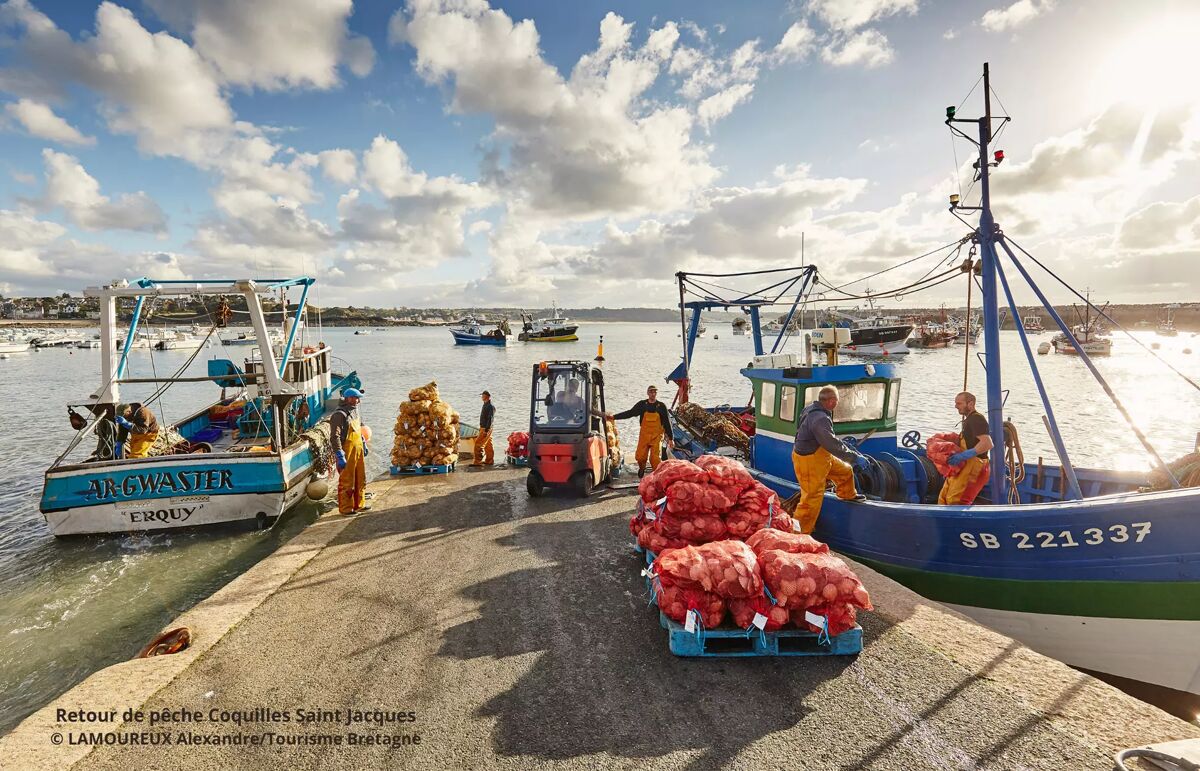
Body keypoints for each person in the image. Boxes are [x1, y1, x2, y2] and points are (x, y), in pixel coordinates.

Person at [791, 385, 868, 534]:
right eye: (838, 400)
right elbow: (831, 444)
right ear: (831, 401)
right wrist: (854, 457)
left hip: (821, 456)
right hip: (809, 461)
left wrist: (849, 457)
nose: (838, 403)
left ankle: (847, 494)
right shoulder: (820, 418)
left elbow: (827, 440)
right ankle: (798, 534)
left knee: (845, 470)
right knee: (810, 500)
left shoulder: (811, 409)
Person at [608, 385, 674, 478]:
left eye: (655, 392)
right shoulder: (642, 405)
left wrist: (671, 439)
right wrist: (614, 417)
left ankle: (657, 476)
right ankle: (642, 468)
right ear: (647, 393)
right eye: (651, 392)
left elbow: (667, 422)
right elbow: (630, 413)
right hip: (644, 436)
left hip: (657, 437)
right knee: (640, 457)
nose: (653, 394)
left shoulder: (661, 406)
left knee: (655, 459)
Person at [939, 391, 992, 505]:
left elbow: (987, 444)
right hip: (965, 465)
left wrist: (963, 455)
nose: (956, 406)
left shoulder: (976, 419)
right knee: (943, 498)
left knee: (956, 501)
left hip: (976, 466)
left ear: (971, 404)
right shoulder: (968, 419)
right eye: (956, 403)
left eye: (959, 403)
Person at [330, 387, 368, 515]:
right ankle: (346, 508)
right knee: (347, 480)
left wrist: (363, 442)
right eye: (356, 398)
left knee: (360, 478)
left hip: (358, 449)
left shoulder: (355, 411)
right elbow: (335, 436)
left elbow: (358, 430)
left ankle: (359, 504)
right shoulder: (339, 415)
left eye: (358, 398)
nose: (358, 401)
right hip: (347, 451)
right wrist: (339, 454)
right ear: (349, 399)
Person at [472, 390, 495, 467]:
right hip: (486, 428)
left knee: (478, 444)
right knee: (488, 445)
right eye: (482, 395)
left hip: (486, 428)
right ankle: (489, 460)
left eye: (483, 395)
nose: (482, 397)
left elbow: (490, 419)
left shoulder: (490, 406)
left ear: (487, 397)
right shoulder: (485, 404)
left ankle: (477, 461)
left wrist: (486, 430)